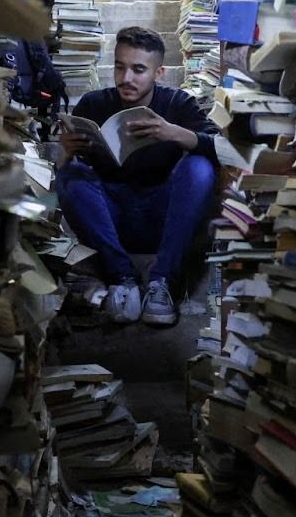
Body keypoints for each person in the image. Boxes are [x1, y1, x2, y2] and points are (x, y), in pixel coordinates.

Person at [56, 26, 219, 327]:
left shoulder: (177, 103)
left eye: (138, 70)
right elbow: (68, 181)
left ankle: (162, 283)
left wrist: (173, 133)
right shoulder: (94, 104)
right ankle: (123, 278)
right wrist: (65, 152)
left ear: (159, 73)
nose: (126, 78)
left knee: (200, 166)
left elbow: (222, 148)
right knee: (71, 173)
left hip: (163, 217)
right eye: (120, 67)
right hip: (111, 221)